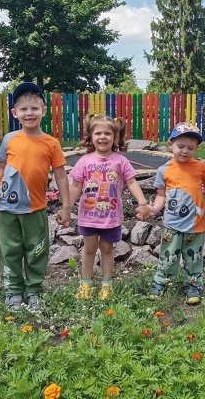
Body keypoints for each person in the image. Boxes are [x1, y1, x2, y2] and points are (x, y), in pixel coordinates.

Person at [0, 82, 71, 313]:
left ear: (44, 111)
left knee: (36, 250)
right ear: (15, 113)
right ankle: (13, 291)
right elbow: (1, 168)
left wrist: (66, 206)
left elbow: (60, 176)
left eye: (34, 108)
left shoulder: (51, 143)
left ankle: (34, 291)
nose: (29, 113)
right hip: (7, 209)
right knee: (9, 251)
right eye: (23, 109)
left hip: (35, 209)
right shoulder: (10, 139)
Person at [69, 114, 149, 300]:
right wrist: (66, 208)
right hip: (88, 216)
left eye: (107, 133)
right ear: (90, 136)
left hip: (111, 217)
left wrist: (143, 203)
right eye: (98, 133)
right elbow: (75, 186)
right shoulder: (85, 161)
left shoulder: (120, 161)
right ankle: (85, 284)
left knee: (107, 249)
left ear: (116, 137)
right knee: (89, 249)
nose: (102, 137)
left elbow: (132, 183)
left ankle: (106, 285)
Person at [142, 122, 205, 305]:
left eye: (190, 148)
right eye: (181, 146)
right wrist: (154, 209)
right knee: (168, 255)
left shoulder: (201, 168)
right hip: (172, 224)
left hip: (196, 224)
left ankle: (193, 285)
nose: (185, 151)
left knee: (193, 257)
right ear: (170, 144)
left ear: (196, 148)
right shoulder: (164, 170)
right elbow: (161, 195)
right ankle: (161, 282)